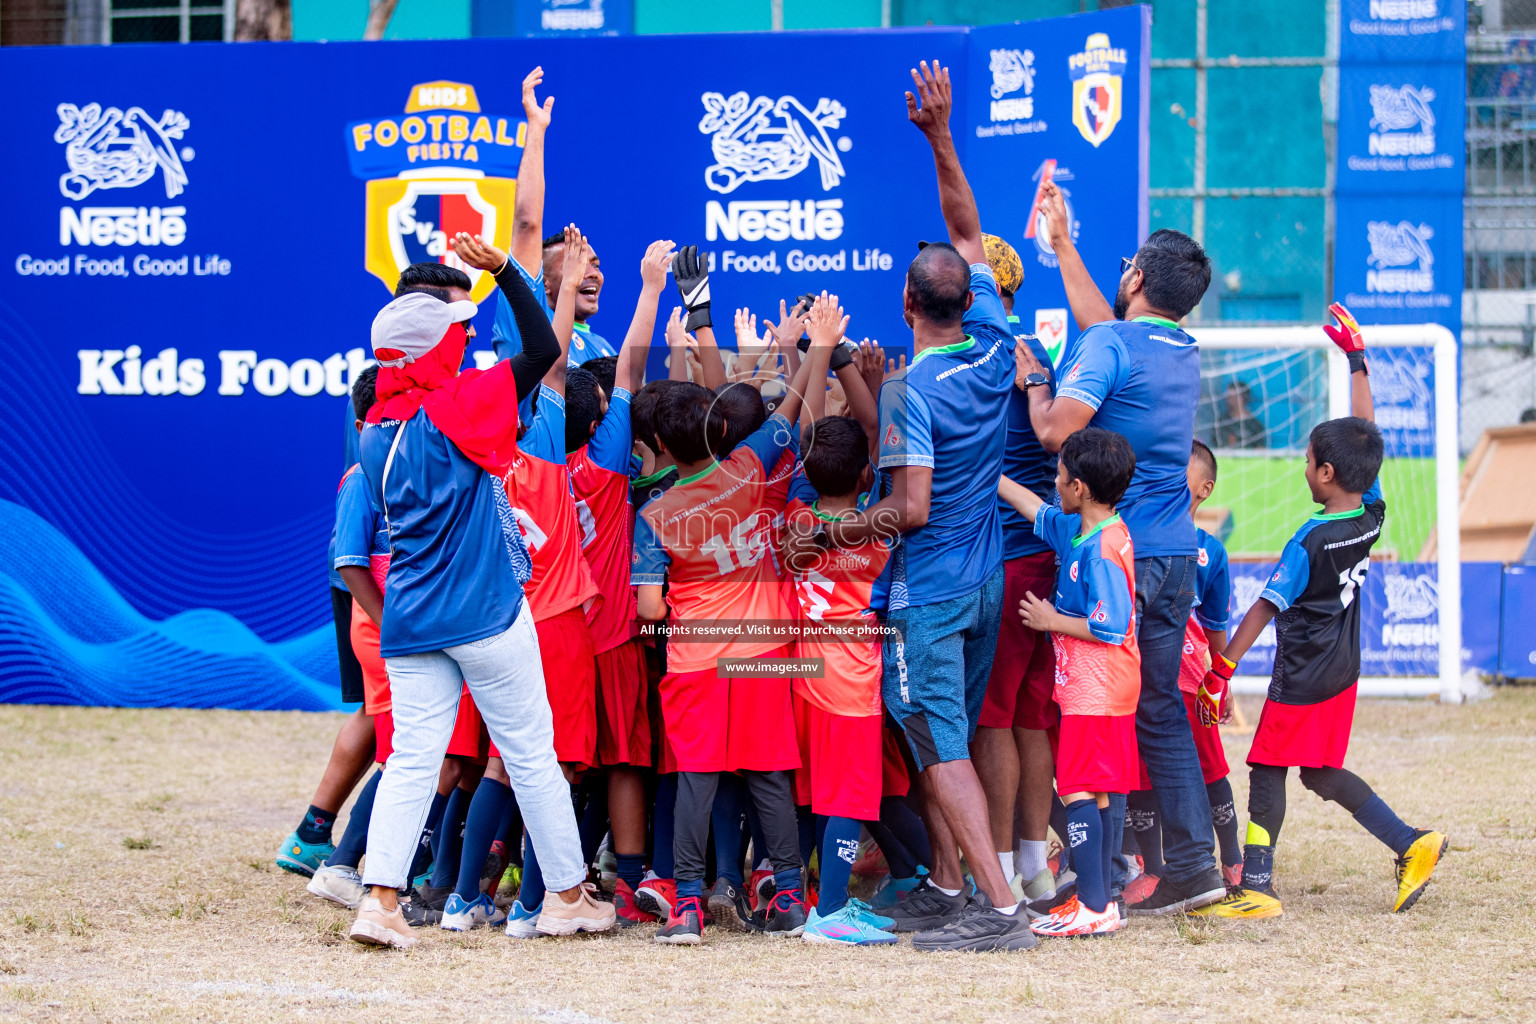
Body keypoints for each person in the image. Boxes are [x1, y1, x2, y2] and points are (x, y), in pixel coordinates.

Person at [783, 61, 1033, 952]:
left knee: (942, 743)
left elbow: (913, 505)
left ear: (906, 304)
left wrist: (829, 537)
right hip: (984, 585)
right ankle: (951, 884)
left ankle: (1000, 910)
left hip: (929, 591)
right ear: (972, 301)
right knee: (942, 733)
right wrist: (941, 137)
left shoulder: (913, 392)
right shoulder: (996, 344)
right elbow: (968, 229)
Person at [346, 232, 613, 949]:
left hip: (410, 619)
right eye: (456, 336)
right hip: (488, 616)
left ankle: (379, 901)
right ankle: (565, 896)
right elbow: (541, 350)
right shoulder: (459, 406)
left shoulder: (377, 427)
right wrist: (504, 270)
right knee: (532, 752)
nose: (464, 343)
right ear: (434, 349)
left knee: (412, 759)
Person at [1194, 304, 1448, 919]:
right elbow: (1367, 432)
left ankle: (1256, 887)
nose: (1304, 468)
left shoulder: (1307, 543)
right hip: (1344, 671)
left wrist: (1220, 671)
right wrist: (1356, 358)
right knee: (1319, 772)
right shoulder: (1373, 510)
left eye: (1309, 461)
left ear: (1327, 473)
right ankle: (1413, 843)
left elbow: (1261, 609)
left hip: (1303, 675)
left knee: (1267, 767)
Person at [1017, 180, 1226, 916]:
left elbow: (1054, 433)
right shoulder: (1178, 347)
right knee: (1159, 709)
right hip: (1174, 557)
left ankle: (1098, 875)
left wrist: (1039, 382)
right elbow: (1108, 330)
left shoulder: (1111, 342)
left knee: (1090, 709)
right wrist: (1064, 245)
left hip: (1120, 555)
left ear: (1135, 277)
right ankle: (1193, 867)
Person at [632, 247, 820, 945]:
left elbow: (650, 610)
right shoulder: (749, 467)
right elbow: (793, 402)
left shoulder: (655, 516)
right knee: (771, 776)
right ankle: (791, 900)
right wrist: (813, 347)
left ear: (658, 445)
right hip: (768, 654)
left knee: (697, 779)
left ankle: (685, 905)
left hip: (697, 663)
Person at [443, 228, 606, 936]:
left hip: (500, 622)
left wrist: (566, 287)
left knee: (503, 766)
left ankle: (461, 898)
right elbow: (557, 357)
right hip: (559, 627)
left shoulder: (486, 454)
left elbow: (549, 364)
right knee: (559, 768)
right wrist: (563, 290)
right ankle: (537, 906)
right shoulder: (552, 449)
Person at [779, 296, 898, 946]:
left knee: (810, 796)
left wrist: (811, 354)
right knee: (849, 801)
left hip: (803, 680)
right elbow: (871, 441)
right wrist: (854, 372)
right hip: (851, 689)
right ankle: (829, 913)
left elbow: (810, 446)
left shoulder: (797, 519)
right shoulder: (874, 533)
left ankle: (804, 900)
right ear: (865, 477)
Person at [996, 426, 1141, 938]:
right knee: (1097, 795)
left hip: (1095, 691)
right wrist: (990, 476)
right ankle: (1098, 901)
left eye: (1059, 474)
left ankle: (1096, 906)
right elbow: (1036, 511)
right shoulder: (1085, 528)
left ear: (1077, 487)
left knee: (1078, 791)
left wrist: (1050, 620)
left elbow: (1112, 624)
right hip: (1099, 689)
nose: (1054, 481)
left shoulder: (1101, 549)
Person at [567, 240, 673, 924]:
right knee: (630, 760)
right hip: (616, 633)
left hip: (559, 634)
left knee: (560, 763)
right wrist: (651, 288)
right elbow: (630, 368)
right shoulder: (609, 463)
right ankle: (630, 882)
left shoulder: (538, 451)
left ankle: (527, 881)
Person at [970, 232, 1063, 906]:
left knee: (994, 721)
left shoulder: (977, 356)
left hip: (1002, 561)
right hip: (1041, 559)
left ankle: (998, 870)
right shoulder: (1037, 357)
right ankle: (1034, 869)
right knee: (1030, 720)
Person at [1121, 438, 1242, 904]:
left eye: (1181, 478)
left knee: (1209, 767)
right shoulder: (1131, 541)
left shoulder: (1210, 552)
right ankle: (1151, 869)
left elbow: (1216, 625)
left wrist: (1219, 678)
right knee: (1143, 775)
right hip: (1141, 679)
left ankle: (1231, 858)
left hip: (1190, 682)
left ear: (1204, 488)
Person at [490, 67, 612, 369]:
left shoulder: (605, 348)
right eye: (577, 264)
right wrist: (536, 128)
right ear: (542, 284)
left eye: (595, 265)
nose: (592, 274)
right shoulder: (526, 326)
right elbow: (527, 225)